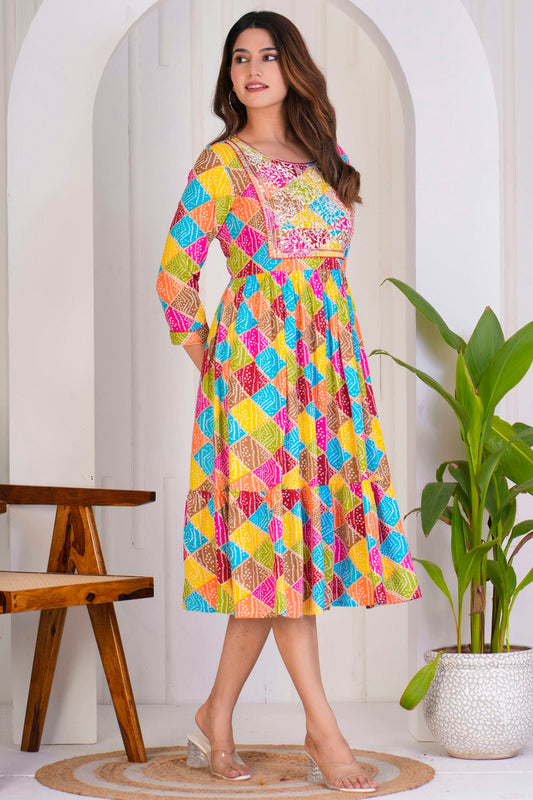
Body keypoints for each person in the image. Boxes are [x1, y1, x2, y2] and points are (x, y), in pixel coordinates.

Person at [157, 10, 420, 793]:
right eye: (239, 58)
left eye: (267, 56)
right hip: (254, 382)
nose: (252, 69)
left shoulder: (325, 158)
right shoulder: (219, 164)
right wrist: (217, 368)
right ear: (229, 76)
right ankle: (323, 730)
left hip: (324, 379)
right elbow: (175, 279)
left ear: (291, 67)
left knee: (282, 558)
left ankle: (214, 717)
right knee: (274, 554)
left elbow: (326, 274)